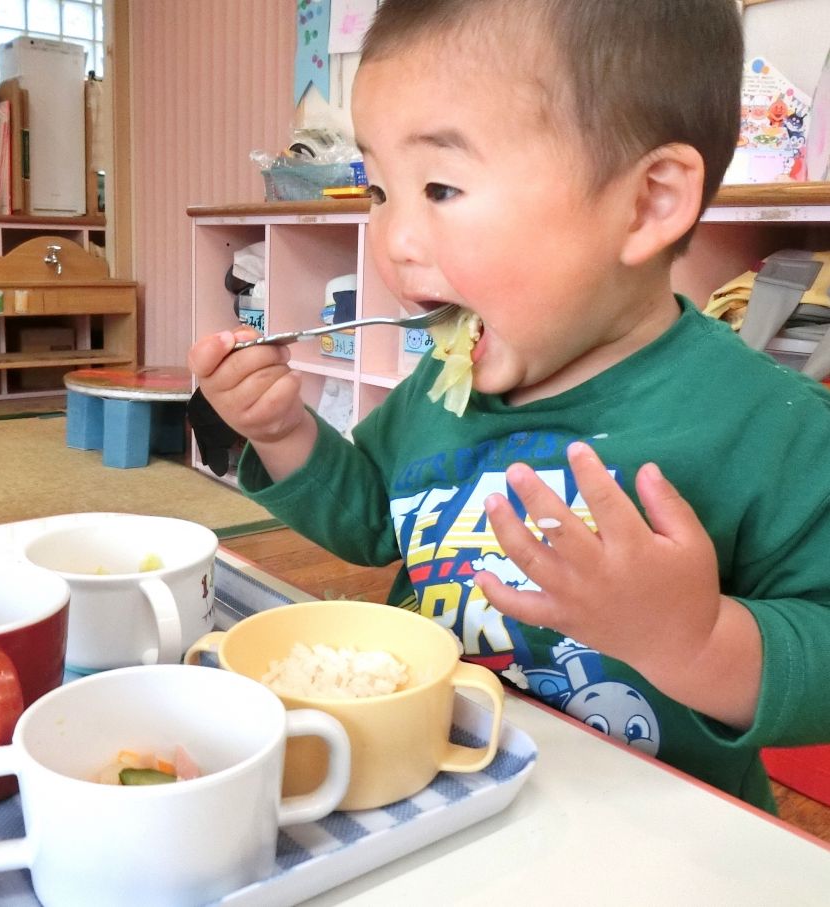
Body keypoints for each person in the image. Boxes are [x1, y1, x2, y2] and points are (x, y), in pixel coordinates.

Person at [188, 0, 830, 812]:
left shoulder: (769, 425)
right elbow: (368, 520)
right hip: (443, 787)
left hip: (652, 836)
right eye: (380, 190)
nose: (393, 240)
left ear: (647, 202)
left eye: (441, 187)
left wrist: (698, 640)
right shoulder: (444, 388)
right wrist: (283, 432)